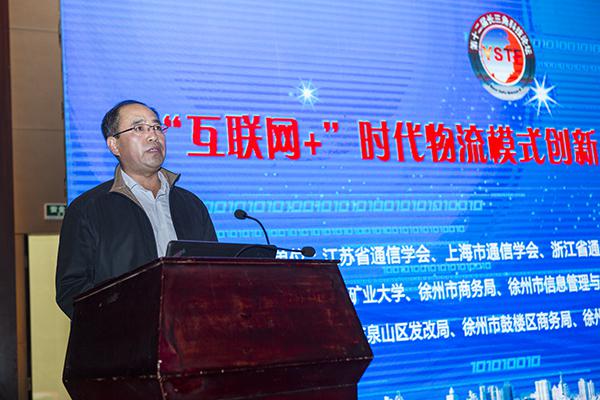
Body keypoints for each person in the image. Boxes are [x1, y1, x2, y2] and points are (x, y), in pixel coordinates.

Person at [56, 100, 217, 318]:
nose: (153, 136)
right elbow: (71, 289)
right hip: (121, 334)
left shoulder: (191, 205)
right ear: (114, 145)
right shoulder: (87, 209)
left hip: (187, 330)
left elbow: (213, 273)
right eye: (139, 128)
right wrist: (125, 317)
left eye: (157, 127)